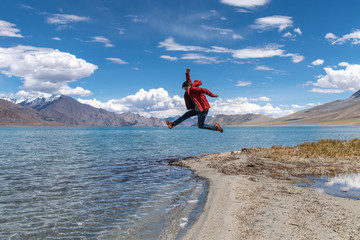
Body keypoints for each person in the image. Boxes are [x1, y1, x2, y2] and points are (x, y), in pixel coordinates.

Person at [165, 68, 223, 133]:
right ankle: (172, 124)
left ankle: (216, 128)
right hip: (197, 109)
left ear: (189, 86)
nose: (186, 90)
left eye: (185, 88)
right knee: (185, 115)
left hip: (203, 109)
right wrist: (187, 73)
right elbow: (188, 81)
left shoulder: (193, 89)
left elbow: (204, 90)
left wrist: (213, 95)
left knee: (200, 125)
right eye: (185, 89)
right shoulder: (190, 88)